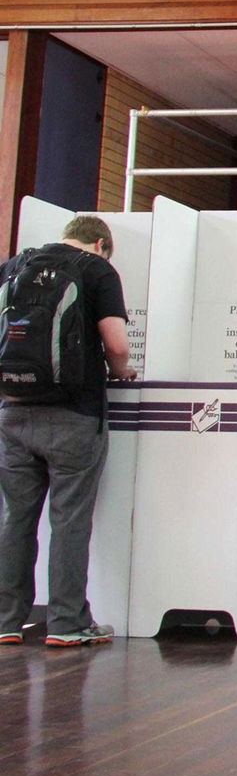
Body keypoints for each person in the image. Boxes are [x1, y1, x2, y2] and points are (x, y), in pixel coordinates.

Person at [0, 216, 135, 648]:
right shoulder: (96, 269)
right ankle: (66, 622)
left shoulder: (14, 267)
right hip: (73, 415)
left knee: (15, 518)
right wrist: (122, 370)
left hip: (14, 411)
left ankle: (6, 620)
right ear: (101, 243)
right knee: (70, 520)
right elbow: (115, 343)